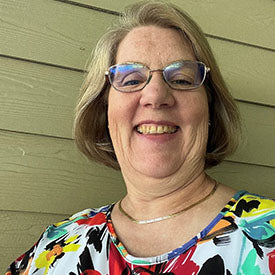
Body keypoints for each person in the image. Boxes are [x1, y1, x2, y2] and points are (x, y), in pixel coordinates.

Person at [6, 1, 275, 274]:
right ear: (104, 109)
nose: (156, 96)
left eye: (181, 79)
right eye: (131, 79)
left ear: (210, 108)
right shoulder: (56, 248)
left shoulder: (268, 238)